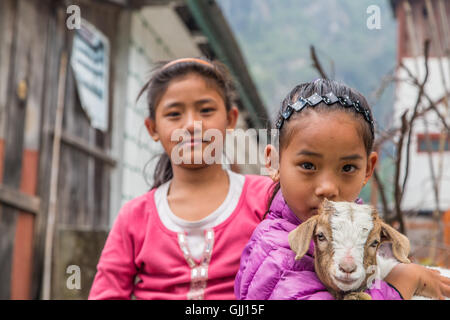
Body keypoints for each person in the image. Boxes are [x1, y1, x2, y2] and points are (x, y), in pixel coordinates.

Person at [235, 79, 450, 300]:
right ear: (273, 163)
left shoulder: (362, 228)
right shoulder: (279, 258)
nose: (327, 188)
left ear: (368, 170)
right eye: (308, 165)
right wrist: (404, 282)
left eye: (347, 168)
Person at [88, 58, 273, 300]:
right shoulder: (135, 216)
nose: (192, 125)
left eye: (206, 110)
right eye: (174, 114)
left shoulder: (264, 198)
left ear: (230, 119)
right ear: (152, 128)